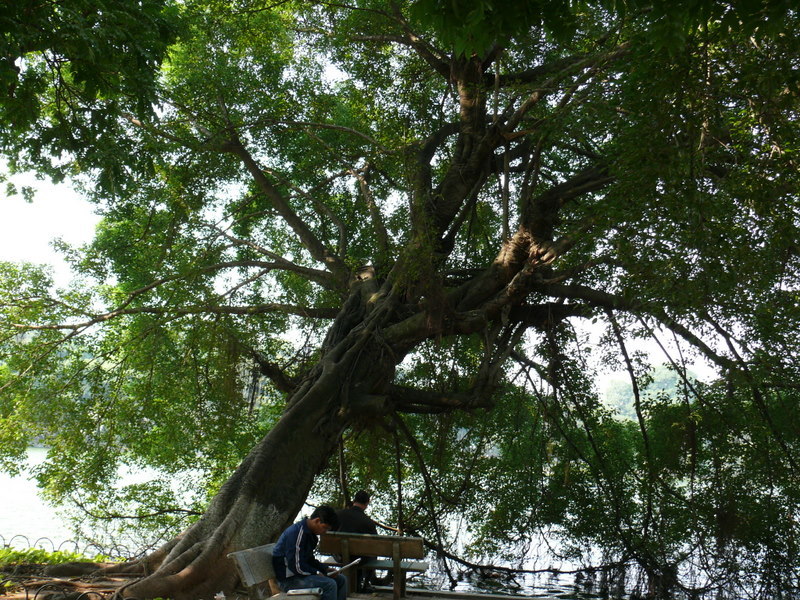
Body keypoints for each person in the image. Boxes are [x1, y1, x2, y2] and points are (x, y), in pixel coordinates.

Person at [272, 506, 347, 600]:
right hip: (289, 581)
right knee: (329, 584)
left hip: (300, 576)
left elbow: (309, 559)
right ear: (317, 521)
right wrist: (316, 572)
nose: (325, 532)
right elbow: (296, 566)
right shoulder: (297, 533)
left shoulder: (311, 535)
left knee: (341, 579)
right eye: (325, 528)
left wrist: (325, 569)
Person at [336, 490, 378, 593]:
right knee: (371, 555)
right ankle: (364, 585)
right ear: (367, 503)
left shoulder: (337, 515)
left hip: (339, 555)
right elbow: (376, 544)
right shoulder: (368, 522)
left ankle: (346, 585)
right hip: (359, 559)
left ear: (354, 501)